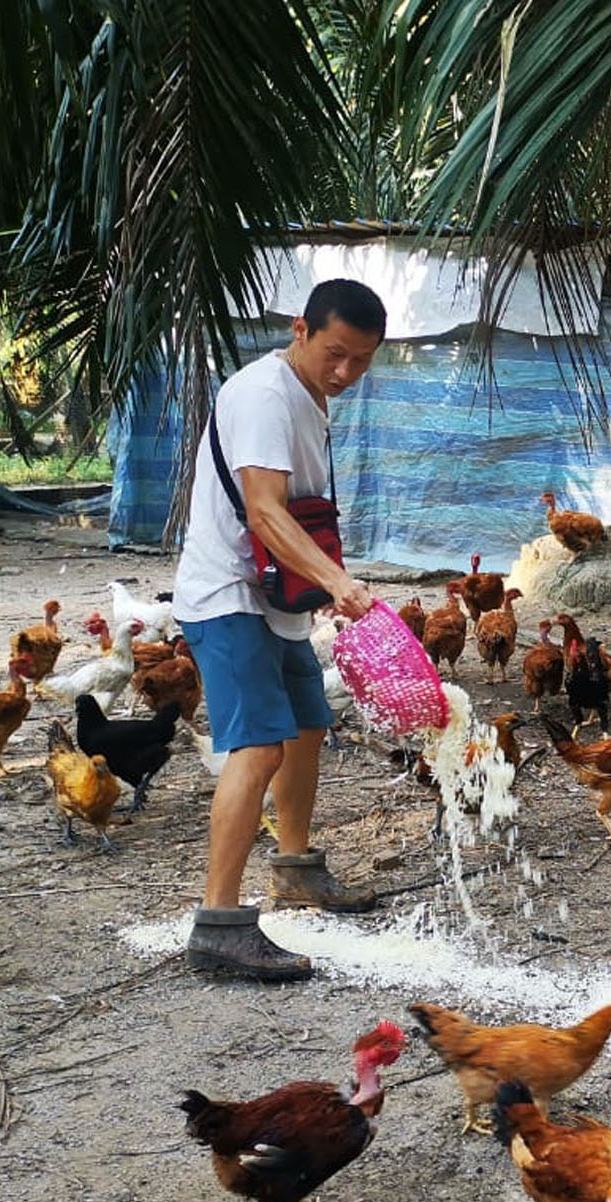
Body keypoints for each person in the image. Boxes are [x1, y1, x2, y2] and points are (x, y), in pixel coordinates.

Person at [171, 278, 386, 981]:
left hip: (274, 597)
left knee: (305, 728)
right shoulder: (264, 394)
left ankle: (293, 868)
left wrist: (319, 583)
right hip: (227, 594)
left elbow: (300, 511)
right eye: (335, 354)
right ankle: (219, 925)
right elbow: (265, 512)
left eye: (362, 360)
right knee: (259, 747)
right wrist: (336, 582)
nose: (346, 373)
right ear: (300, 329)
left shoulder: (309, 394)